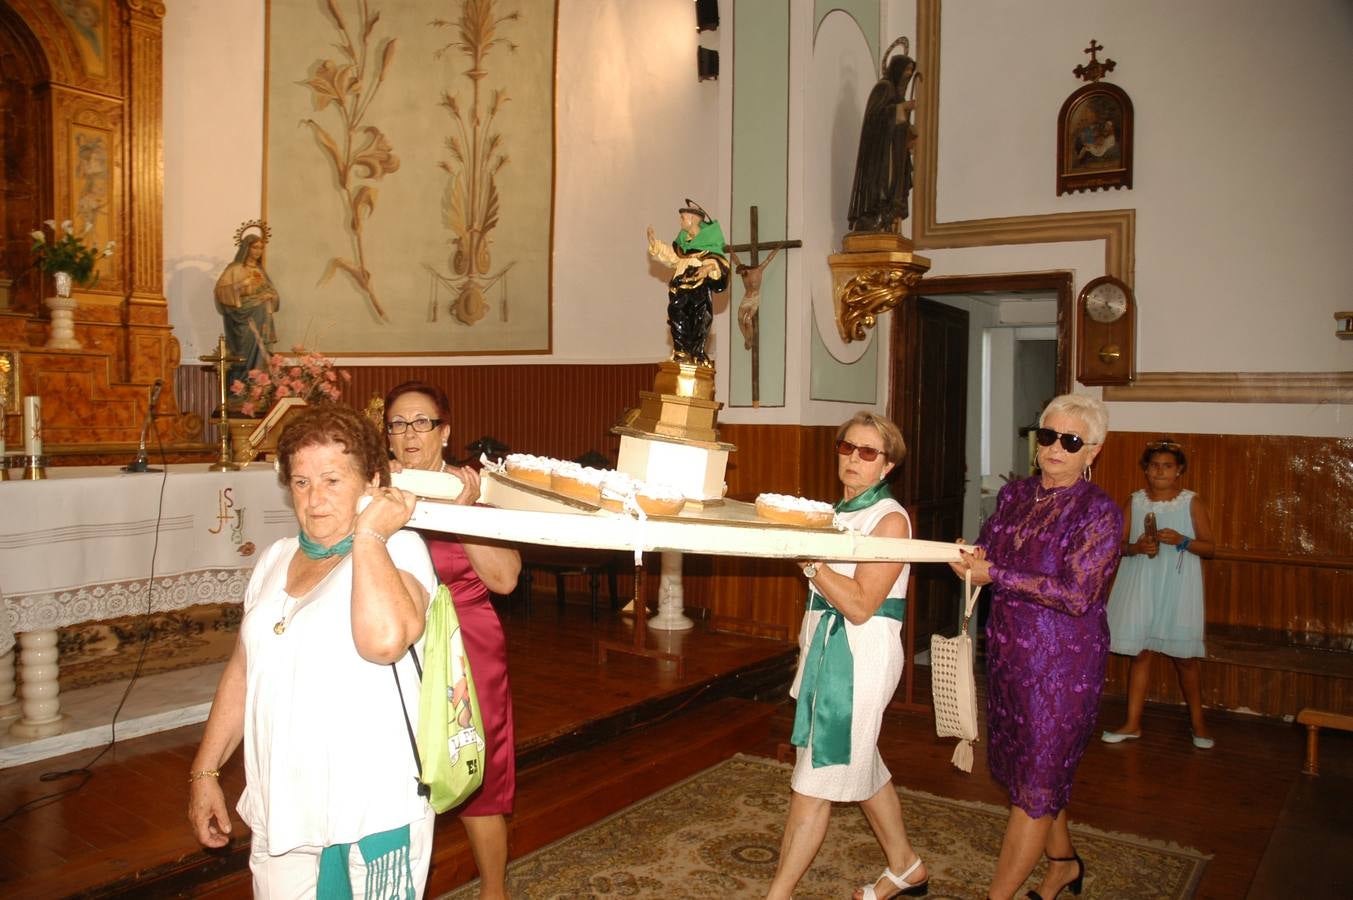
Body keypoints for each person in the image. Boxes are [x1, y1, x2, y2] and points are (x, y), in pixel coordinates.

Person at [187, 404, 439, 896]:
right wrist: (204, 772)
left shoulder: (400, 551)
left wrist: (369, 533)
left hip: (374, 809)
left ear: (371, 481)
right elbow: (242, 673)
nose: (315, 499)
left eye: (331, 480)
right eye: (301, 483)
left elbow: (385, 641)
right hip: (283, 807)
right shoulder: (275, 559)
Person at [948, 394, 1122, 900]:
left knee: (1038, 782)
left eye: (1070, 441)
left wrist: (995, 572)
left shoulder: (1100, 513)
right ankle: (1063, 864)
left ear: (1093, 451)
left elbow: (1078, 593)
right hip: (1008, 656)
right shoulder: (1016, 496)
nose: (1055, 448)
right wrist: (973, 556)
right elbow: (993, 550)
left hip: (1063, 666)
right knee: (1035, 775)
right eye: (1047, 436)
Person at [767, 411, 928, 900]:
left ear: (888, 466)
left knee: (813, 782)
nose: (853, 459)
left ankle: (777, 895)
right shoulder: (836, 511)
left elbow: (860, 605)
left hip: (857, 659)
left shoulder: (890, 520)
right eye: (846, 448)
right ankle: (907, 866)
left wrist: (809, 560)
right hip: (825, 649)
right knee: (860, 760)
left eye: (867, 452)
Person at [385, 380, 521, 900]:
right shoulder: (379, 491)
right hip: (397, 643)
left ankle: (493, 891)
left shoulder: (473, 492)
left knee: (475, 764)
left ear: (445, 431)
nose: (410, 433)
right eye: (398, 424)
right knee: (398, 764)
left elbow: (505, 580)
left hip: (468, 641)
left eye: (422, 422)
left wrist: (461, 514)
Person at [1102, 438, 1215, 748]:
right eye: (1154, 466)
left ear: (1179, 470)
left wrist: (1182, 539)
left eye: (1167, 466)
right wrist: (1138, 547)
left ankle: (1199, 723)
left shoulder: (1192, 502)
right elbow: (1116, 546)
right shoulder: (1134, 501)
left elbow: (1210, 547)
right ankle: (1132, 723)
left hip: (1178, 585)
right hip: (1141, 580)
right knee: (1141, 653)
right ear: (1145, 469)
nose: (1160, 472)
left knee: (1185, 659)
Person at [646, 199, 730, 367]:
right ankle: (681, 351)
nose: (680, 221)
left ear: (692, 219)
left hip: (698, 288)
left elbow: (718, 261)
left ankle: (697, 353)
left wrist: (708, 268)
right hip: (680, 287)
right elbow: (673, 257)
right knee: (677, 315)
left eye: (683, 218)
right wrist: (656, 245)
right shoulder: (683, 243)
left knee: (700, 319)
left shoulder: (708, 242)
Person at [848, 41, 918, 233]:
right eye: (906, 71)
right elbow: (875, 117)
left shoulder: (897, 95)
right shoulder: (884, 88)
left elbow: (900, 129)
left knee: (894, 191)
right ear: (897, 70)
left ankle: (888, 220)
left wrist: (910, 134)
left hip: (894, 153)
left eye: (910, 73)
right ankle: (878, 215)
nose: (908, 76)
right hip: (880, 155)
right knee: (882, 189)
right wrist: (901, 108)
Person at [215, 228, 281, 386]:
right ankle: (241, 387)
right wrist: (239, 285)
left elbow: (272, 292)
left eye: (261, 248)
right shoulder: (235, 269)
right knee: (243, 352)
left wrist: (271, 296)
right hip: (243, 320)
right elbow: (221, 291)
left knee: (261, 352)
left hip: (261, 319)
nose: (258, 251)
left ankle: (258, 387)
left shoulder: (260, 271)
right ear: (246, 248)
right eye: (255, 247)